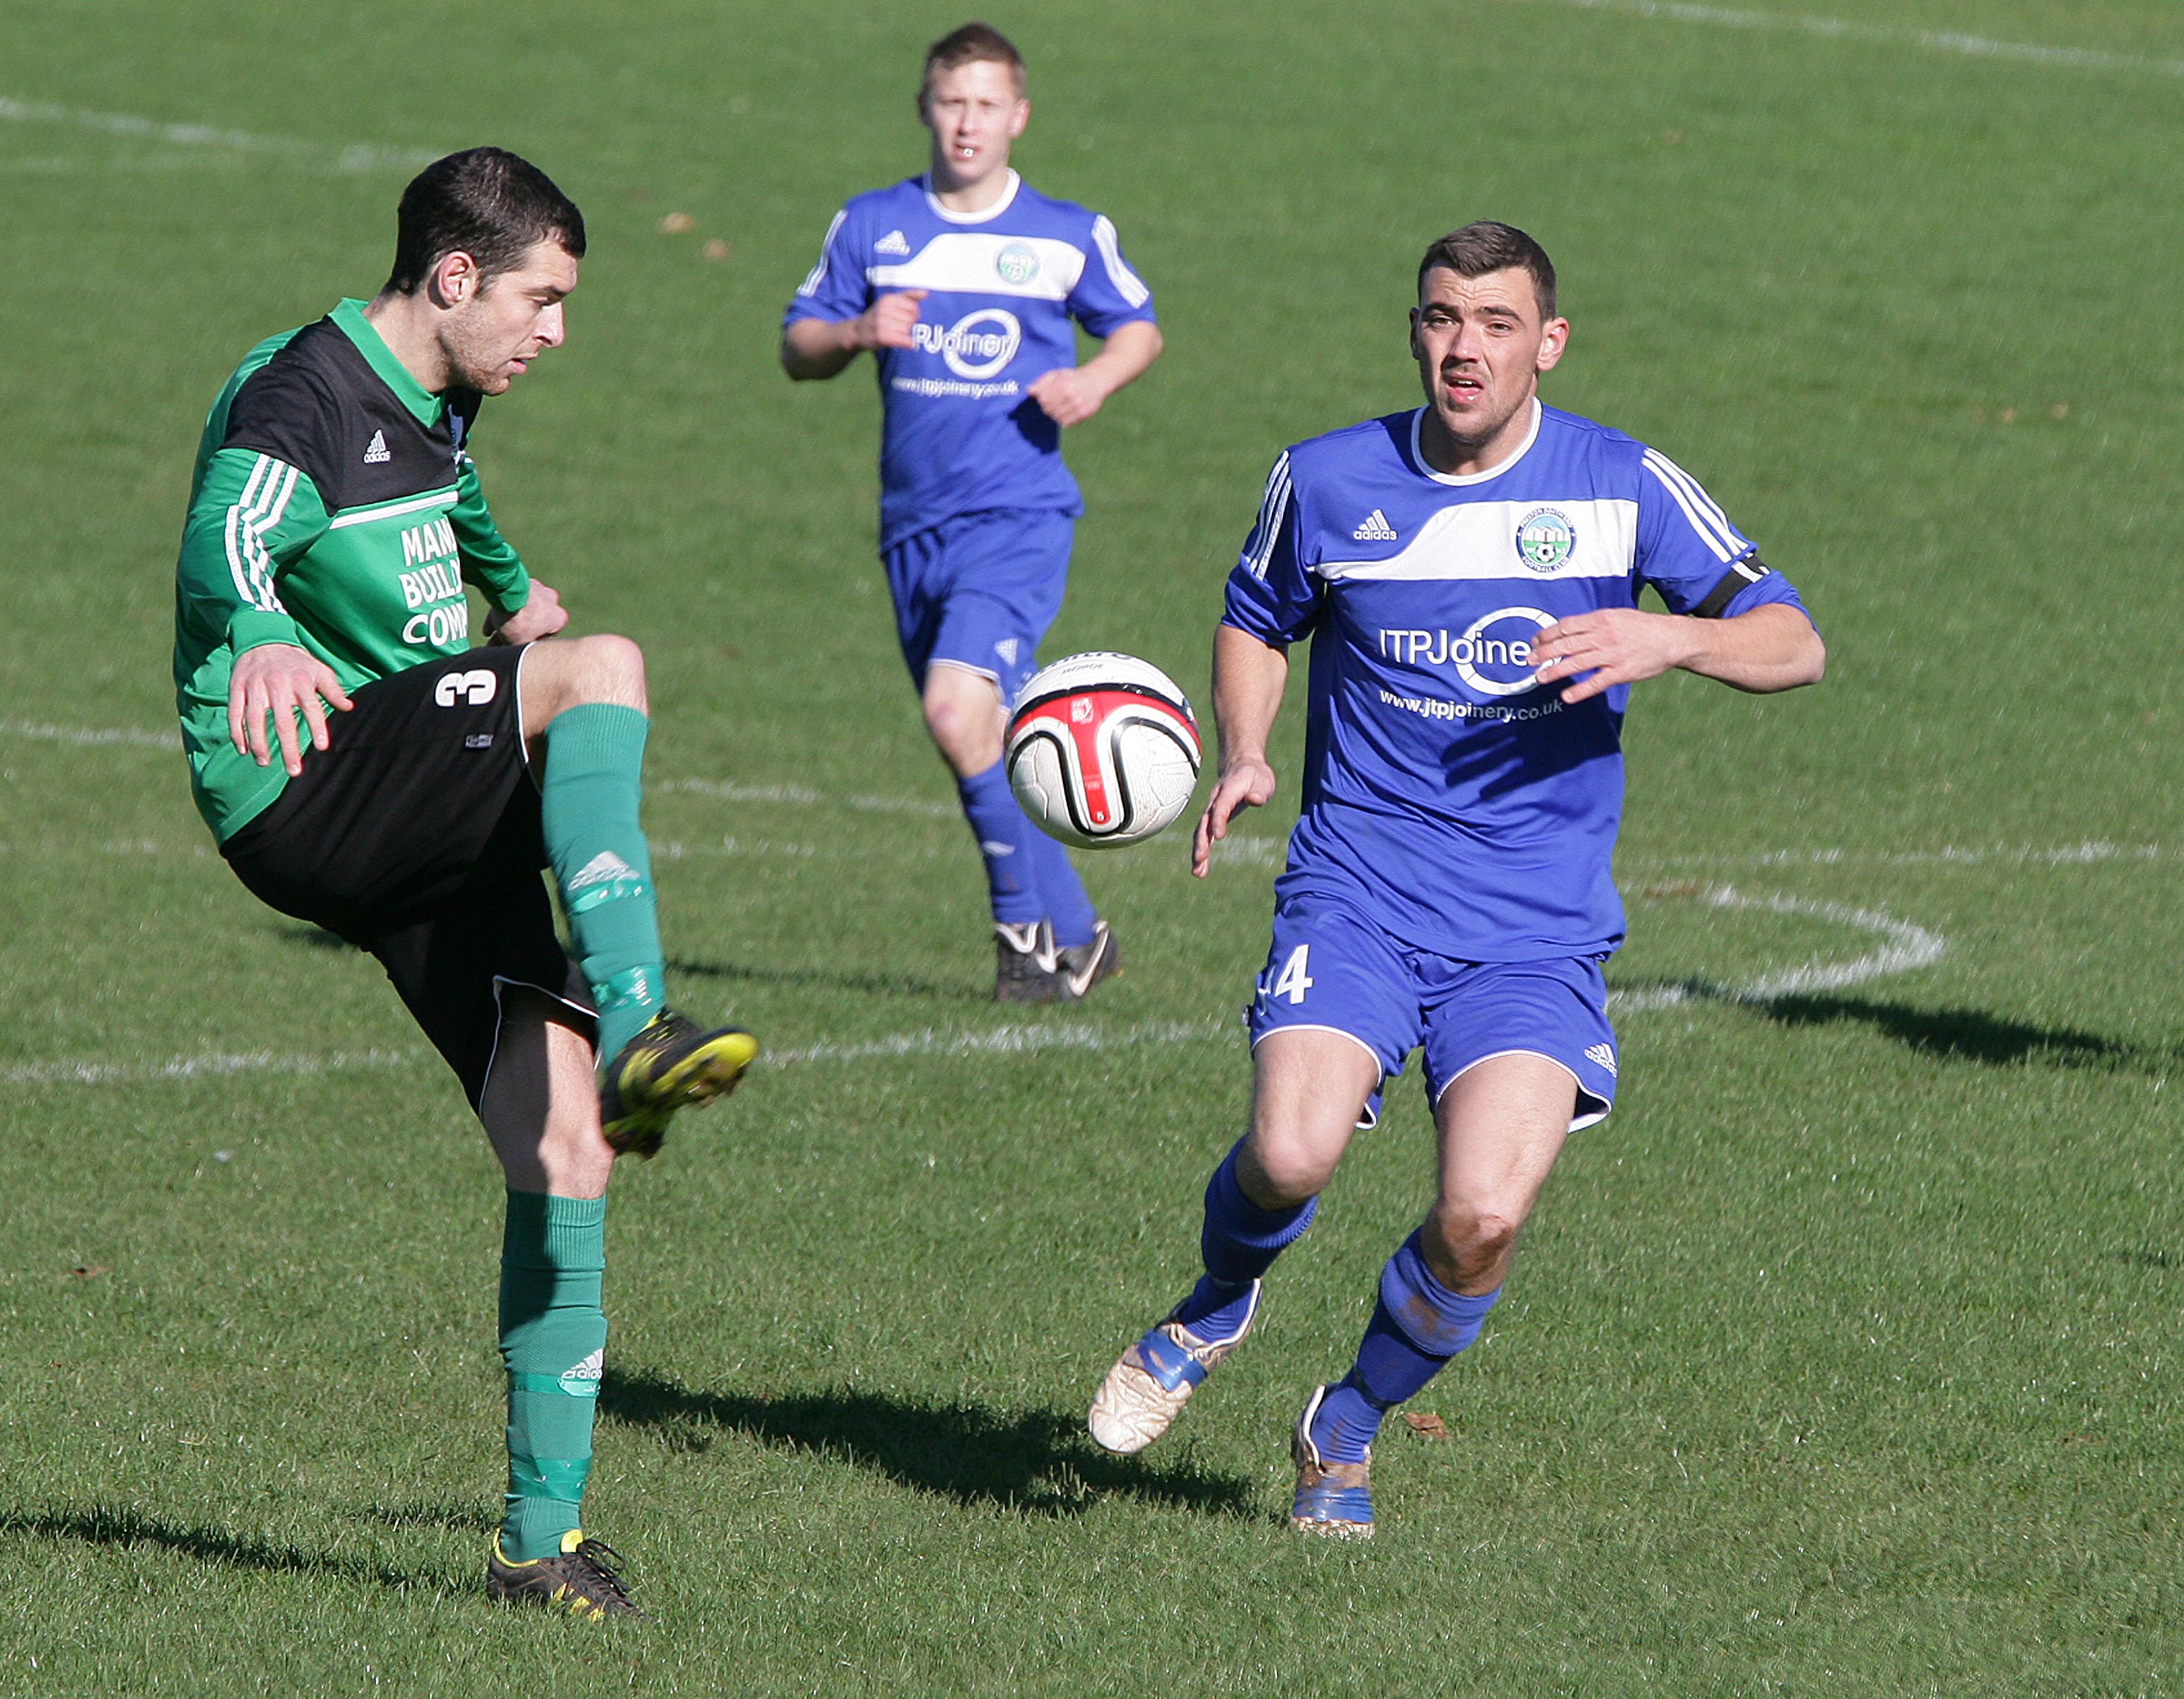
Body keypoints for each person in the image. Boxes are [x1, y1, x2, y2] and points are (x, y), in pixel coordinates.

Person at [1086, 222, 1824, 1538]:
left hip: (1534, 935)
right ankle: (1212, 1308)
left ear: (1547, 342)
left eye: (1495, 323)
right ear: (1414, 331)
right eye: (1441, 319)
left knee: (1481, 1216)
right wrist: (1249, 752)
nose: (1463, 347)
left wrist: (1668, 634)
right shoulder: (1324, 480)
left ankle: (1345, 1424)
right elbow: (1259, 618)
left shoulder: (1622, 484)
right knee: (1290, 1148)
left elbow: (1794, 642)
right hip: (1357, 887)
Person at [171, 147, 758, 1618]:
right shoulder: (301, 392)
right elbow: (224, 536)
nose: (554, 328)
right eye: (541, 298)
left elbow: (455, 501)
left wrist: (510, 588)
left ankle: (535, 1547)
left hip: (412, 803)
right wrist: (255, 633)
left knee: (565, 1155)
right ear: (452, 277)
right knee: (602, 671)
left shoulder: (443, 396)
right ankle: (645, 1021)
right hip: (304, 778)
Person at [781, 21, 1163, 1002]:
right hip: (912, 525)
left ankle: (1025, 944)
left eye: (988, 105)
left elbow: (1138, 328)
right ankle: (1082, 940)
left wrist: (1096, 383)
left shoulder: (1064, 234)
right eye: (952, 102)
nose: (968, 123)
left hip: (1019, 516)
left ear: (1019, 117)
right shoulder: (873, 226)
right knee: (978, 738)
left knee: (957, 714)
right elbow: (798, 345)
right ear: (924, 108)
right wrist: (860, 330)